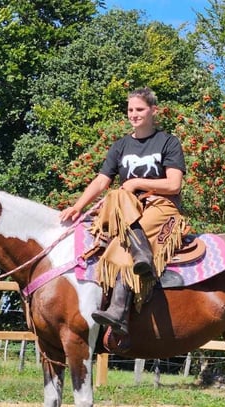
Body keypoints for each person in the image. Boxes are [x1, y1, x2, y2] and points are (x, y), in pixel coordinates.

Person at [59, 87, 187, 336]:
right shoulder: (120, 146)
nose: (134, 114)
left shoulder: (168, 142)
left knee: (119, 240)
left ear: (153, 111)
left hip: (161, 207)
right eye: (130, 110)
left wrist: (138, 183)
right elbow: (100, 182)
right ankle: (141, 256)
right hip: (127, 209)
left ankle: (118, 310)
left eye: (140, 109)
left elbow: (173, 185)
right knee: (117, 197)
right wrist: (77, 206)